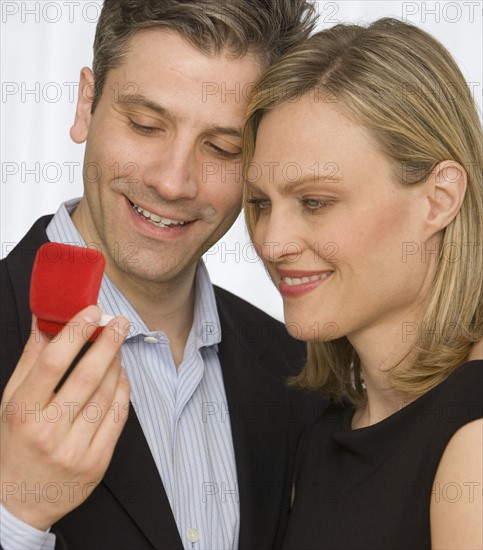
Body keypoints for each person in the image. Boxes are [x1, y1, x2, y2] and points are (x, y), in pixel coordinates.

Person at [0, 1, 322, 549]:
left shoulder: (298, 371)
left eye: (223, 148)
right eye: (146, 125)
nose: (174, 183)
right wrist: (16, 516)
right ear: (86, 103)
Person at [243, 17, 482, 550]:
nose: (271, 242)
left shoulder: (474, 440)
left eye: (316, 202)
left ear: (438, 199)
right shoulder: (322, 439)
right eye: (261, 204)